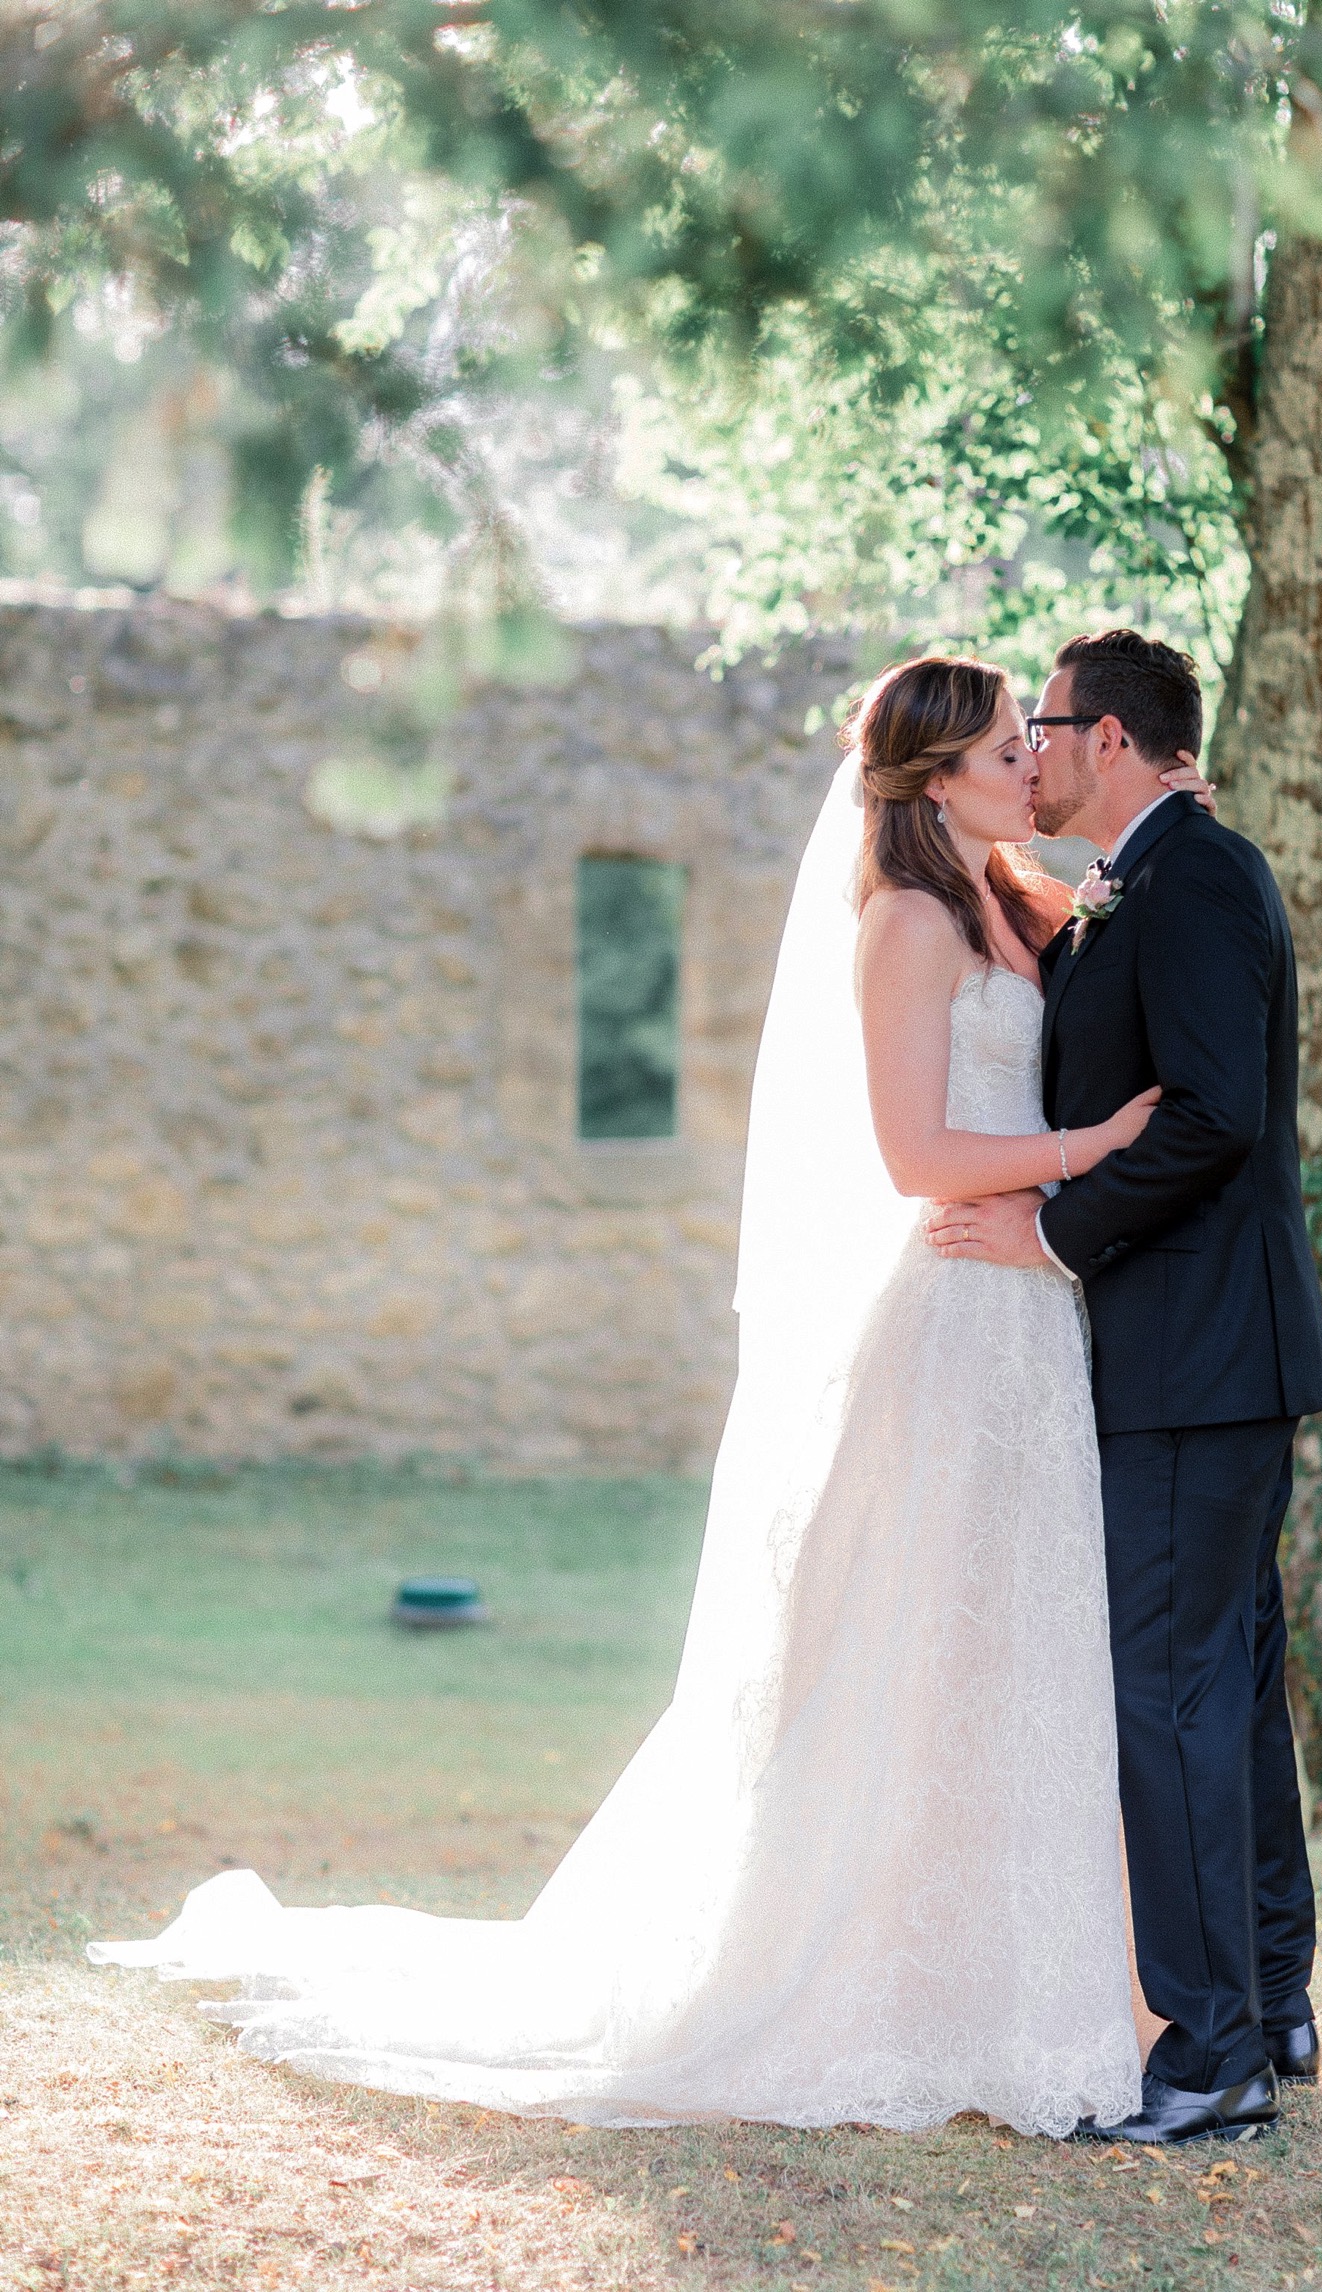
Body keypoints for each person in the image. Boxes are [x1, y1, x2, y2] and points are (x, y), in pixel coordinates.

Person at [91, 655, 1213, 2140]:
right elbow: (917, 1157)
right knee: (911, 1658)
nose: (1034, 763)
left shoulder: (1019, 902)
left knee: (1011, 1660)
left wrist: (1175, 835)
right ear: (938, 776)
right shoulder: (905, 923)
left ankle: (1005, 1980)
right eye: (1010, 747)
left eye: (1032, 741)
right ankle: (869, 1985)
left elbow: (1132, 947)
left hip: (1030, 1326)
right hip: (951, 1315)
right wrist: (1093, 1146)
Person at [929, 629, 1322, 2145]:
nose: (1030, 751)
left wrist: (1052, 1233)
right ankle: (1272, 2000)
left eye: (1042, 726)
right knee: (1226, 1694)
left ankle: (1214, 2047)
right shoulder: (1138, 887)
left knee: (1168, 1695)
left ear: (1106, 737)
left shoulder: (1200, 876)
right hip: (1206, 1358)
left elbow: (1216, 1116)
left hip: (1194, 1358)